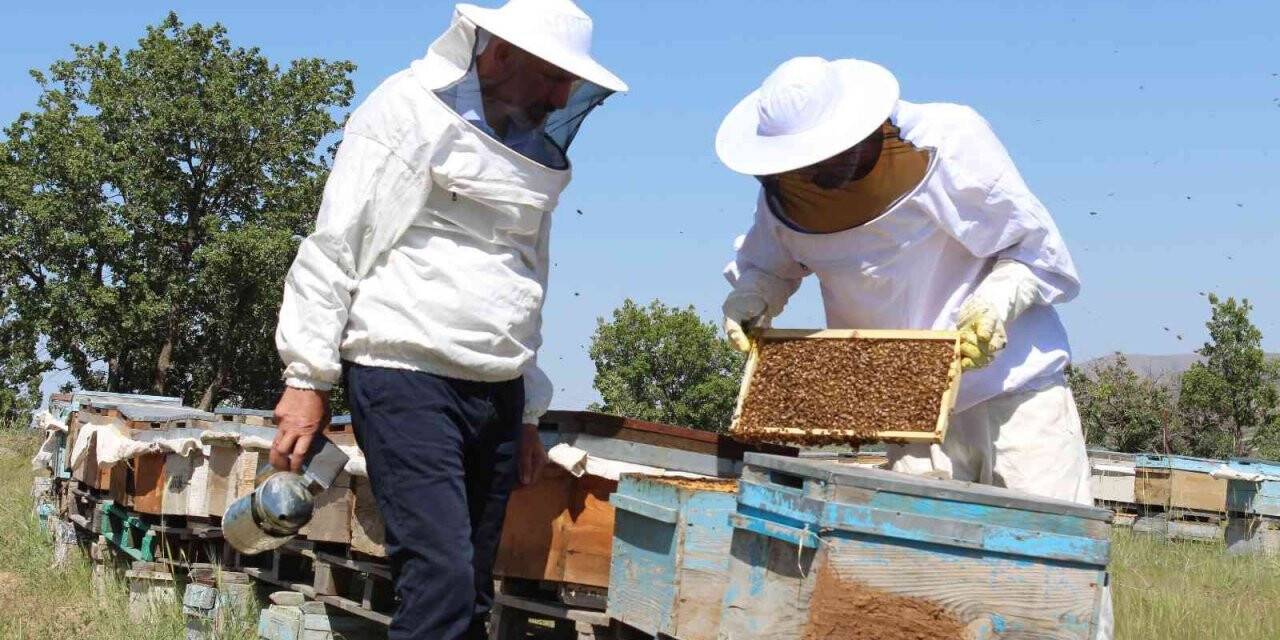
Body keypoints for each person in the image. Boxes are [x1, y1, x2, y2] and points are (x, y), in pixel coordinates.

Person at [715, 57, 1111, 638]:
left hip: (1014, 400)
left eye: (825, 161)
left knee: (1056, 581)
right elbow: (771, 262)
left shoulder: (950, 138)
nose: (816, 175)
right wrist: (754, 293)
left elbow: (1037, 251)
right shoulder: (789, 188)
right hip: (909, 419)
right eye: (800, 167)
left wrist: (997, 300)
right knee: (926, 598)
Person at [269, 1, 627, 637]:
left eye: (571, 80)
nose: (563, 92)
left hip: (496, 389)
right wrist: (307, 378)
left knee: (473, 591)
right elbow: (335, 243)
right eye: (551, 75)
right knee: (438, 576)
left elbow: (525, 280)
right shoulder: (404, 109)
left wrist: (525, 415)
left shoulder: (532, 152)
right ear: (500, 52)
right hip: (404, 373)